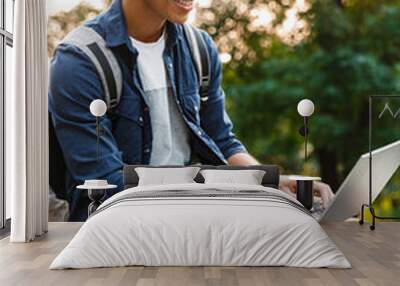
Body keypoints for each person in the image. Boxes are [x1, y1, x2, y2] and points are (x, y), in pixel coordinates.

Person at [49, 0, 334, 221]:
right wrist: (224, 189)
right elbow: (106, 185)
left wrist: (271, 183)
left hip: (193, 214)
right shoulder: (79, 62)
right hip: (118, 226)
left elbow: (222, 140)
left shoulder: (199, 49)